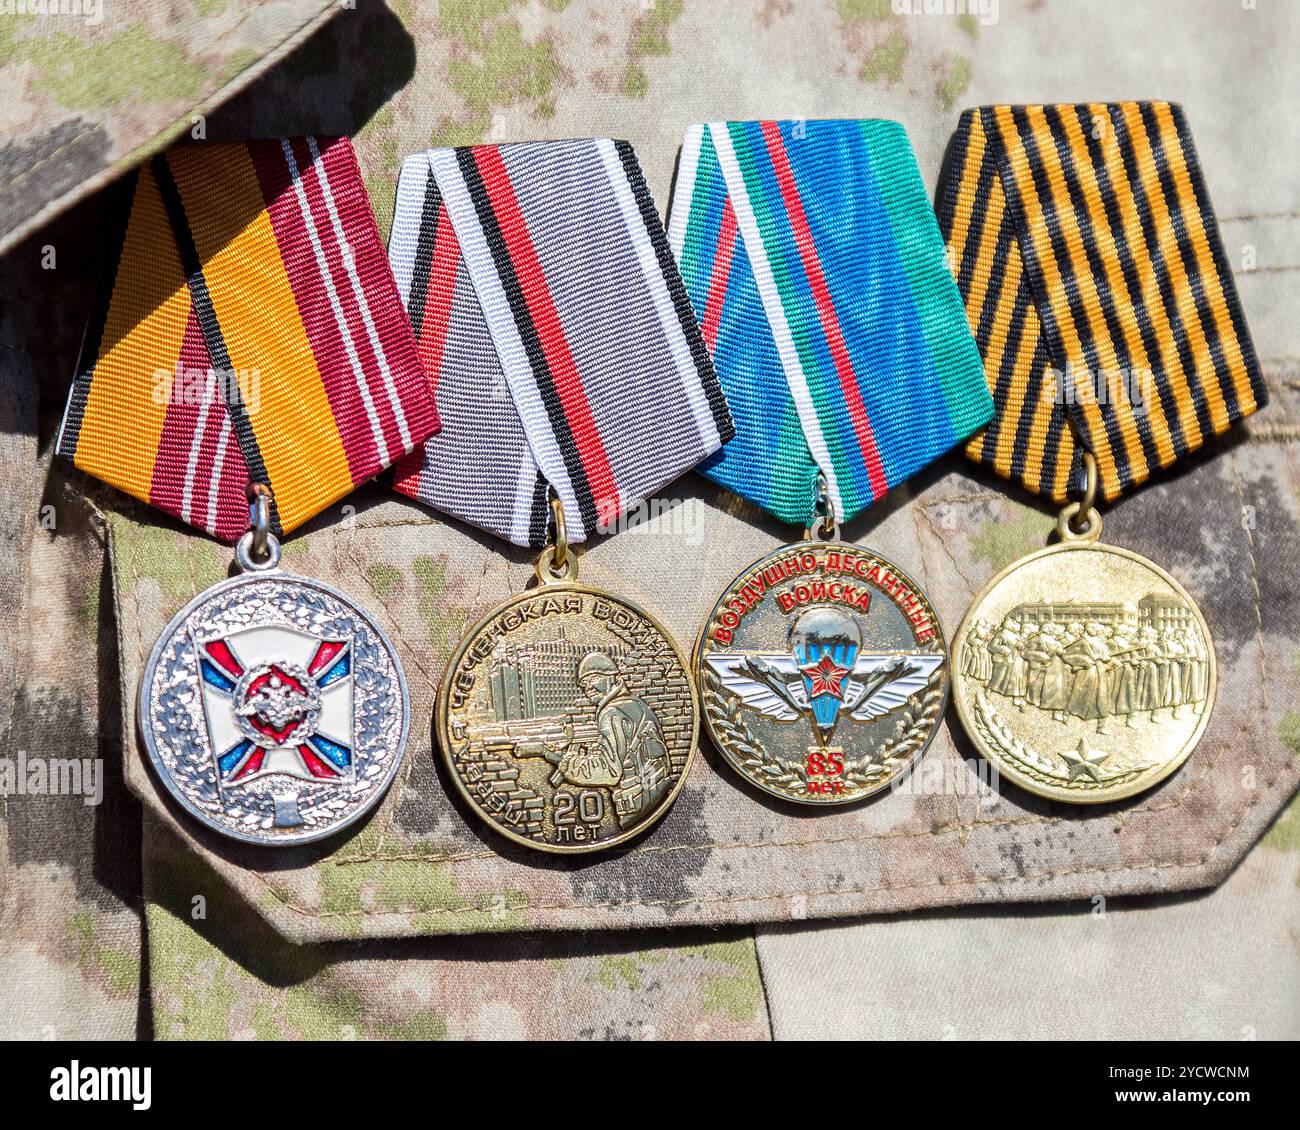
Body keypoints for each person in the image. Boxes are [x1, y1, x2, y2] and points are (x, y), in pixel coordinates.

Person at [554, 651, 672, 830]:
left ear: (613, 677)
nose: (588, 689)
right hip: (655, 793)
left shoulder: (612, 713)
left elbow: (609, 771)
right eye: (584, 684)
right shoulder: (636, 705)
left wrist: (562, 760)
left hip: (637, 806)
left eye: (593, 679)